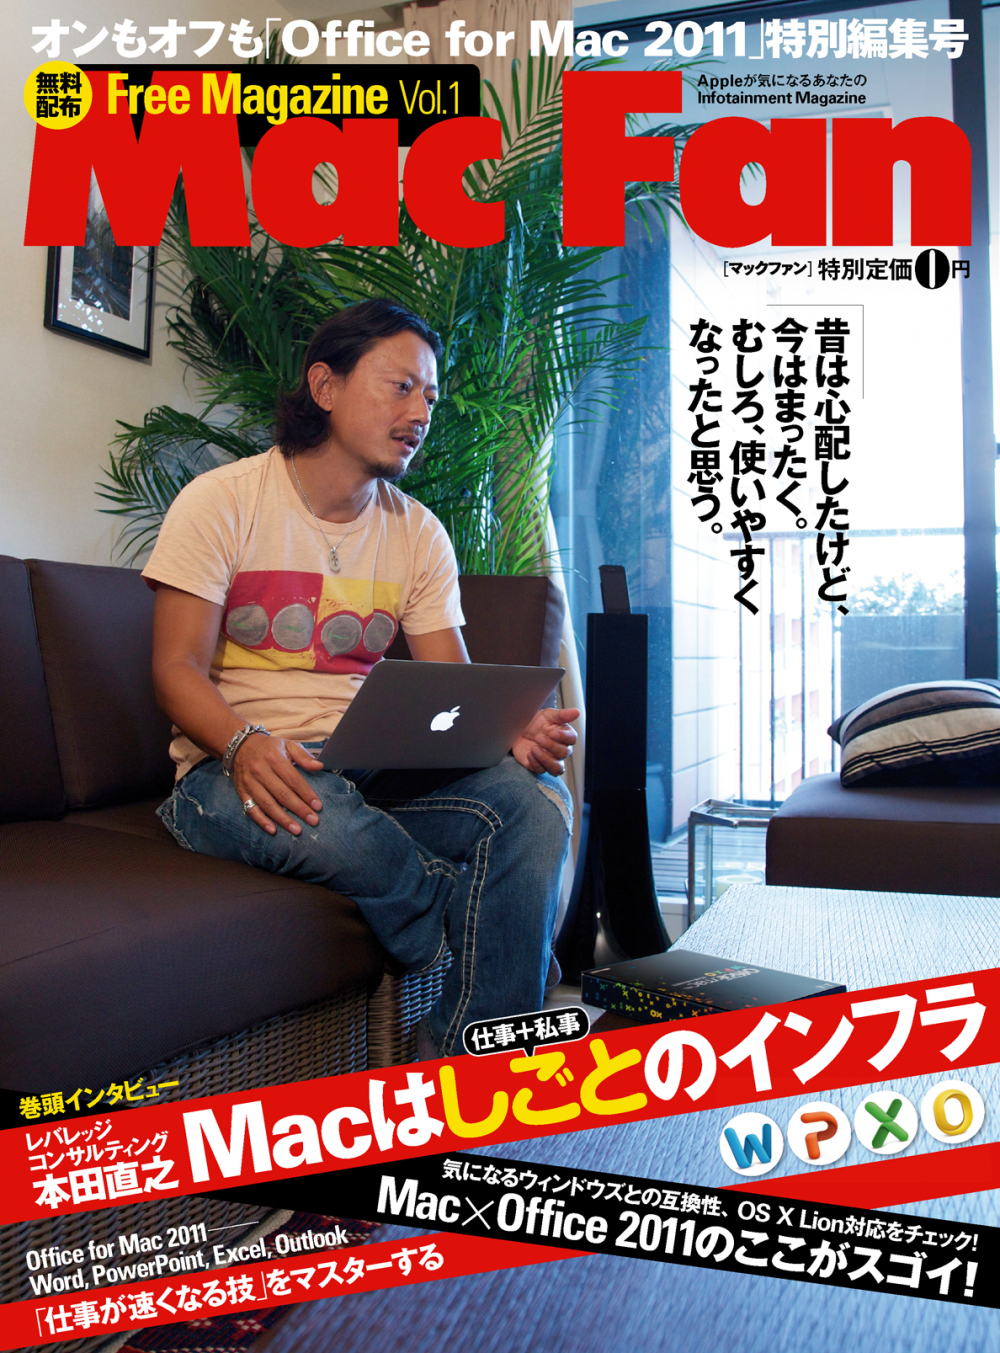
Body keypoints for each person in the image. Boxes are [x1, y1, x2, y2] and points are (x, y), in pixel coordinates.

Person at [142, 299, 579, 1059]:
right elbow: (174, 668)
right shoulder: (223, 501)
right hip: (231, 767)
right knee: (334, 821)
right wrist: (244, 744)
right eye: (400, 386)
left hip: (367, 765)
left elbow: (454, 691)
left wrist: (507, 729)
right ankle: (497, 943)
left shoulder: (417, 532)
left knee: (538, 805)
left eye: (429, 396)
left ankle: (461, 1060)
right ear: (325, 386)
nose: (421, 413)